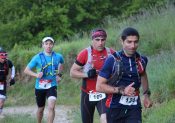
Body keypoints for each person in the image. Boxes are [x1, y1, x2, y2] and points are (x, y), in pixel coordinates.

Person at [96, 27, 152, 123]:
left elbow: (143, 75)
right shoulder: (112, 60)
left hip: (134, 108)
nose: (133, 45)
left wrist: (146, 95)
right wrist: (121, 90)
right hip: (114, 107)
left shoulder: (142, 60)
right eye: (129, 42)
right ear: (122, 41)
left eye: (135, 42)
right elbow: (99, 86)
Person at [70, 28, 115, 123]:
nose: (100, 43)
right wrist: (87, 74)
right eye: (97, 40)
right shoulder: (85, 53)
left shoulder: (111, 53)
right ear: (92, 40)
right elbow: (72, 72)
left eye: (103, 40)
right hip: (87, 93)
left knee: (105, 119)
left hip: (104, 92)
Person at [24, 37, 64, 123]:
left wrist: (59, 75)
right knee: (41, 109)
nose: (48, 46)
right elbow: (26, 70)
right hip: (40, 87)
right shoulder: (37, 57)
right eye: (46, 44)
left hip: (52, 85)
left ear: (53, 45)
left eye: (50, 44)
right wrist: (36, 75)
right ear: (43, 45)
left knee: (51, 107)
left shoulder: (58, 56)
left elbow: (61, 63)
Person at [0, 47, 15, 118]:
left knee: (2, 99)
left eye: (4, 57)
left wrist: (12, 77)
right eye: (2, 57)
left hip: (3, 83)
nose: (3, 59)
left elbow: (13, 67)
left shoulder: (8, 62)